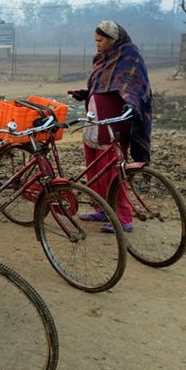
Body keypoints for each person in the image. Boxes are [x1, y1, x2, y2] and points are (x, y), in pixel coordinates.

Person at [68, 21, 153, 233]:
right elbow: (104, 85)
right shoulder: (104, 58)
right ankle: (102, 208)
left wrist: (132, 105)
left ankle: (123, 217)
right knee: (95, 167)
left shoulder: (129, 57)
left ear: (113, 39)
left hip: (114, 121)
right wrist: (86, 94)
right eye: (95, 40)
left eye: (101, 40)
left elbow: (133, 86)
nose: (97, 44)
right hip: (95, 120)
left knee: (113, 168)